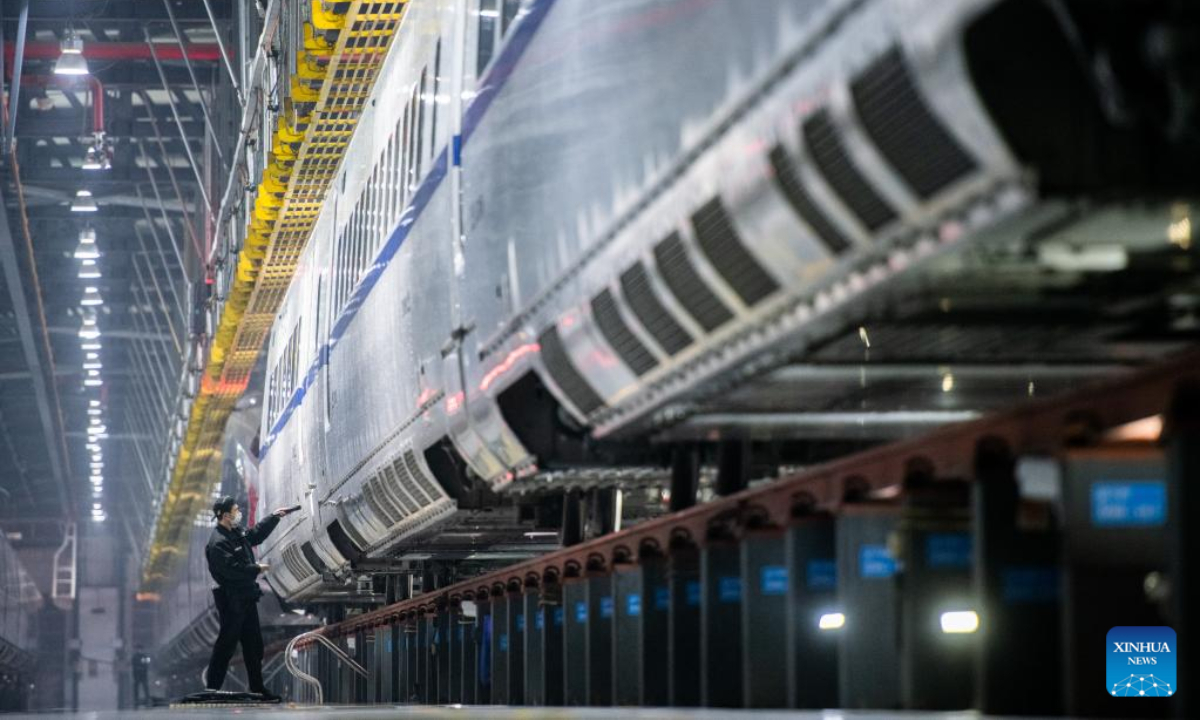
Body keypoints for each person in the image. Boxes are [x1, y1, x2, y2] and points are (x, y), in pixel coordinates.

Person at [204, 496, 298, 701]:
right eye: (236, 510)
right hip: (231, 600)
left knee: (253, 644)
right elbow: (231, 571)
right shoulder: (218, 543)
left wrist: (274, 517)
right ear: (226, 515)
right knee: (226, 645)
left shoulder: (235, 533)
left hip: (245, 597)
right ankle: (211, 689)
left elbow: (254, 535)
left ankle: (257, 687)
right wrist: (256, 568)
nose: (239, 513)